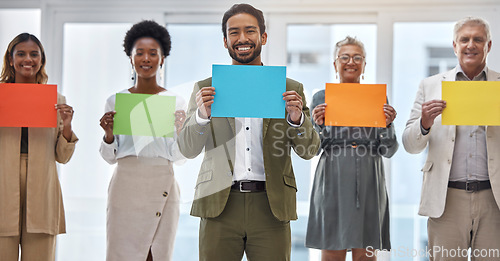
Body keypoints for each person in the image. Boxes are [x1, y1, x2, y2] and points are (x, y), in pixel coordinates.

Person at [177, 3, 320, 261]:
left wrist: (297, 119)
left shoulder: (289, 89)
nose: (242, 39)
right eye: (234, 32)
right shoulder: (205, 89)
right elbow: (187, 149)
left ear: (263, 37)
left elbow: (309, 151)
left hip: (271, 206)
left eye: (250, 31)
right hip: (219, 205)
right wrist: (201, 116)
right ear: (225, 41)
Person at [403, 17, 500, 261]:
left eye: (478, 39)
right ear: (455, 46)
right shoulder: (431, 85)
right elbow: (409, 144)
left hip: (494, 199)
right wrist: (424, 123)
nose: (471, 45)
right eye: (464, 39)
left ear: (488, 45)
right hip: (446, 200)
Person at [99, 20, 186, 261]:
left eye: (153, 53)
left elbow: (179, 158)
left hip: (162, 183)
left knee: (156, 254)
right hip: (125, 187)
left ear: (162, 58)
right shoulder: (115, 102)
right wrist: (108, 134)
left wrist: (180, 132)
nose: (146, 58)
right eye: (140, 53)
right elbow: (109, 157)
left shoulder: (175, 102)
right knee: (122, 254)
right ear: (130, 57)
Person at [305, 36, 398, 261]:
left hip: (369, 178)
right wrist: (317, 126)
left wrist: (388, 125)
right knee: (331, 247)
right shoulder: (321, 97)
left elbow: (389, 149)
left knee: (366, 251)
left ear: (364, 65)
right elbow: (311, 149)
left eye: (357, 57)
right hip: (333, 179)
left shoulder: (376, 98)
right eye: (344, 57)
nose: (351, 62)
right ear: (335, 64)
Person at [0, 33, 78, 261]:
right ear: (11, 59)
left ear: (41, 59)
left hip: (42, 188)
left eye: (34, 54)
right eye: (21, 54)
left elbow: (62, 157)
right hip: (3, 185)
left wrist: (67, 126)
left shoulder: (56, 99)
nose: (28, 59)